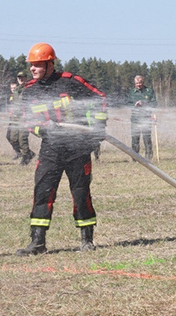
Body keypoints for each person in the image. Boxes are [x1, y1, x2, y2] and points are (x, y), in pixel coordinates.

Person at [16, 42, 108, 255]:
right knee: (42, 192)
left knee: (81, 193)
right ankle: (37, 242)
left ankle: (87, 239)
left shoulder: (71, 82)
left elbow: (100, 98)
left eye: (37, 64)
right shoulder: (30, 91)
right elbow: (28, 120)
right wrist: (42, 129)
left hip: (78, 147)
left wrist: (98, 126)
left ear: (50, 64)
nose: (32, 68)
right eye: (31, 65)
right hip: (51, 149)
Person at [5, 80, 35, 165]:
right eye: (11, 88)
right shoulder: (12, 96)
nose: (13, 89)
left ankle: (26, 155)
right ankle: (23, 153)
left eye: (14, 88)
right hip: (13, 119)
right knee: (11, 137)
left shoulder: (23, 94)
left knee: (21, 138)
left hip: (22, 118)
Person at [128, 75, 157, 157]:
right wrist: (134, 105)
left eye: (140, 83)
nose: (138, 85)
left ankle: (148, 157)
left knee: (147, 139)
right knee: (135, 139)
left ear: (143, 82)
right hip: (135, 119)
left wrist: (144, 103)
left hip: (146, 119)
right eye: (136, 83)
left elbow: (154, 103)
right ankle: (135, 158)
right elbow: (128, 104)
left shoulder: (149, 91)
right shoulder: (132, 92)